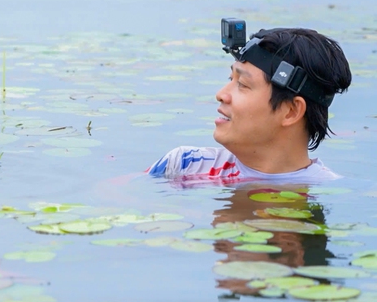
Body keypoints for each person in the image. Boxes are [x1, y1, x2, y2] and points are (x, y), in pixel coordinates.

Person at [148, 22, 352, 183]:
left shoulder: (326, 192)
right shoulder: (183, 165)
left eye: (243, 84)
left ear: (291, 111)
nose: (221, 94)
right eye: (231, 80)